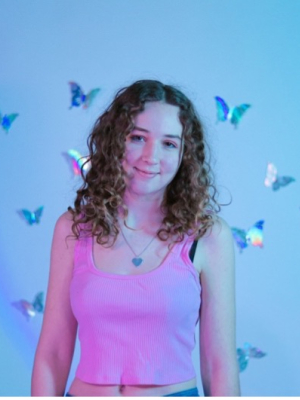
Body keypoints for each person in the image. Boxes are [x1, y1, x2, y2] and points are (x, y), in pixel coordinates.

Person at [31, 80, 240, 397]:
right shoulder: (73, 228)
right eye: (138, 138)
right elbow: (54, 353)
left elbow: (219, 364)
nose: (150, 156)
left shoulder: (209, 236)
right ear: (116, 141)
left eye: (169, 144)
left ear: (185, 154)